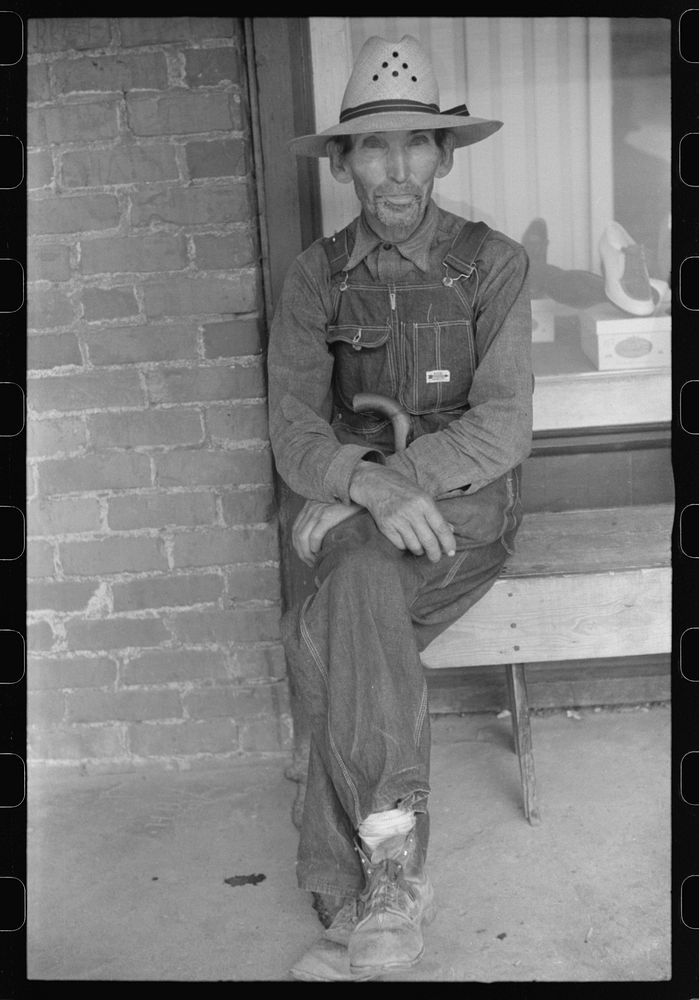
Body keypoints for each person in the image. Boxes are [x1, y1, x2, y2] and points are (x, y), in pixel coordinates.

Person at [267, 34, 533, 981]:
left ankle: (345, 898)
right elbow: (291, 430)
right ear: (341, 163)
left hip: (464, 514)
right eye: (373, 147)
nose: (396, 167)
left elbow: (502, 429)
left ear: (444, 155)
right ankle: (383, 885)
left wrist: (378, 486)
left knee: (331, 611)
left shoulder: (490, 265)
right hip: (367, 531)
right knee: (353, 598)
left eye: (416, 143)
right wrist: (362, 488)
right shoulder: (316, 277)